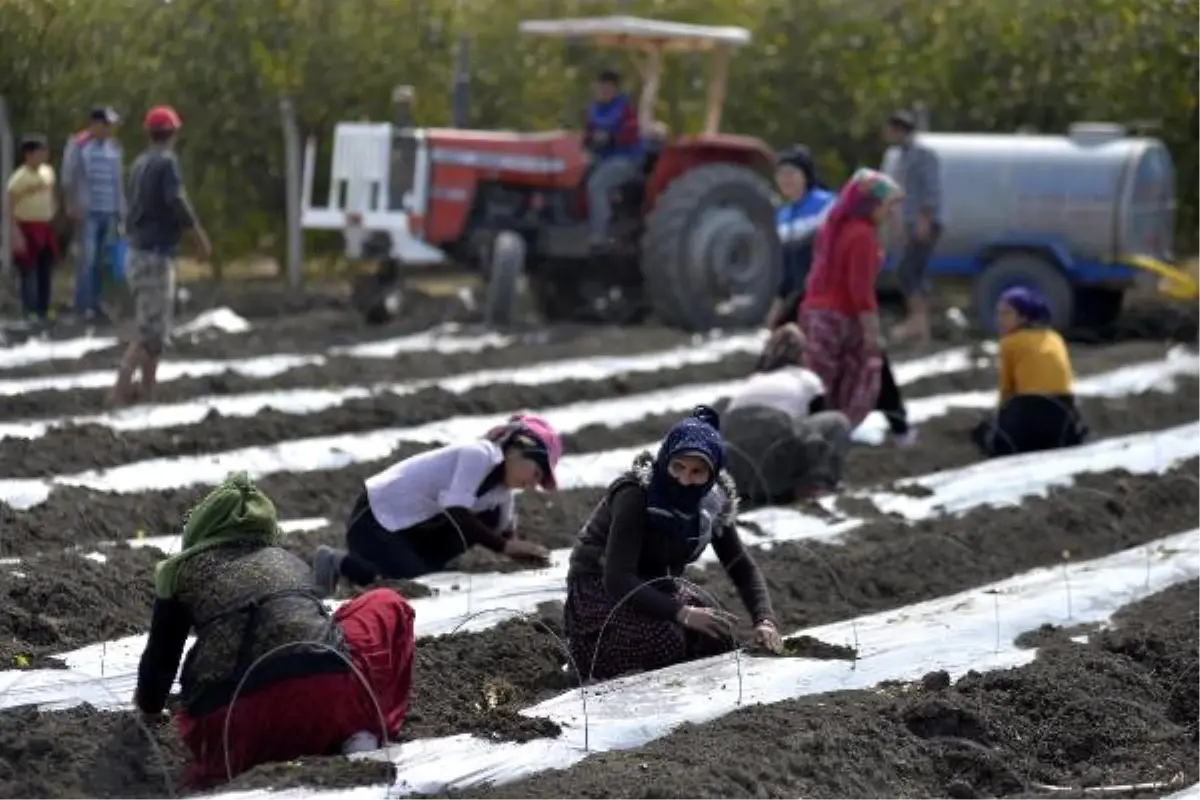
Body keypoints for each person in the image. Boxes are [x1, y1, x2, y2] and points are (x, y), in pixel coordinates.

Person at [133, 472, 416, 788]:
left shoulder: (180, 571)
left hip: (234, 728)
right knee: (385, 603)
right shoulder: (287, 560)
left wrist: (147, 713)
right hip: (327, 701)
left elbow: (160, 664)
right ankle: (361, 730)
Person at [564, 406, 781, 682]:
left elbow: (741, 567)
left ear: (711, 475)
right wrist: (682, 612)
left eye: (696, 472)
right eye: (677, 467)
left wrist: (765, 620)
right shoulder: (635, 494)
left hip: (654, 583)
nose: (684, 479)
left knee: (716, 634)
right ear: (665, 460)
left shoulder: (710, 505)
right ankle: (589, 661)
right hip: (599, 588)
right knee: (664, 640)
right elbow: (617, 578)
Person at [312, 414, 562, 593]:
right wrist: (506, 547)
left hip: (407, 530)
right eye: (537, 474)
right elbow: (457, 512)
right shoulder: (477, 454)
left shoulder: (501, 495)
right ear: (518, 449)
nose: (532, 485)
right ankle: (337, 561)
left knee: (428, 580)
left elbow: (504, 533)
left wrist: (525, 554)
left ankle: (399, 566)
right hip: (374, 518)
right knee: (407, 587)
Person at [112, 105, 211, 406]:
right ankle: (120, 386)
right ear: (174, 134)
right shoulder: (167, 163)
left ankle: (148, 393)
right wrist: (199, 238)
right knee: (151, 331)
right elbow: (177, 202)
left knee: (154, 330)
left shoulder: (140, 163)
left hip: (137, 253)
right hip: (155, 257)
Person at [800, 168, 903, 430]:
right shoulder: (863, 235)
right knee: (852, 384)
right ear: (870, 204)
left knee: (817, 384)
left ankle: (809, 433)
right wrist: (872, 332)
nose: (890, 213)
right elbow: (860, 290)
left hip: (815, 315)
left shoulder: (833, 227)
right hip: (840, 319)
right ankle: (832, 434)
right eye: (887, 206)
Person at [724, 323, 851, 504]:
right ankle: (815, 486)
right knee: (838, 422)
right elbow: (818, 432)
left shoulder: (754, 380)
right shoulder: (806, 378)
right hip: (774, 439)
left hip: (733, 455)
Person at [971, 287, 1089, 458]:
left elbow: (1007, 390)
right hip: (1064, 412)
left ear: (1023, 316)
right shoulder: (1054, 337)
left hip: (1030, 410)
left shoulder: (1010, 343)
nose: (1000, 320)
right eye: (999, 313)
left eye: (1006, 313)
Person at [882, 110, 942, 345]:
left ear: (899, 130)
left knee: (908, 272)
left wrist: (923, 221)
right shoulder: (896, 156)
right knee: (914, 274)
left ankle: (917, 322)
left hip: (922, 221)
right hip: (906, 222)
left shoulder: (923, 155)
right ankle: (921, 327)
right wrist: (896, 225)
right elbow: (895, 193)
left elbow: (931, 190)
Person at [61, 105, 125, 322]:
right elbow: (68, 177)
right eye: (106, 124)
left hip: (109, 211)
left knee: (103, 260)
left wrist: (120, 211)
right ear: (95, 124)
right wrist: (71, 204)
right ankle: (82, 305)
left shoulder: (114, 147)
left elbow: (118, 181)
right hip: (87, 211)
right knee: (86, 259)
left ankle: (98, 303)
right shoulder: (79, 145)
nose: (109, 129)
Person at [765, 146, 835, 329]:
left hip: (826, 297)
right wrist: (778, 304)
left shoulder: (827, 205)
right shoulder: (783, 215)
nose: (785, 180)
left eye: (791, 174)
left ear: (805, 175)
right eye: (780, 174)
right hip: (798, 299)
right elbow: (787, 267)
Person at [583, 68, 642, 248]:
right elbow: (587, 137)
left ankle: (600, 234)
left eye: (608, 88)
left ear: (615, 89)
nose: (604, 91)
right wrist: (591, 140)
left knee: (597, 185)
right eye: (601, 88)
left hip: (625, 159)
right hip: (601, 159)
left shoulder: (625, 109)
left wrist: (611, 138)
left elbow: (632, 134)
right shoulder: (593, 109)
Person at [8, 134, 58, 325]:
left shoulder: (48, 172)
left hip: (45, 226)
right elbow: (10, 206)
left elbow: (51, 194)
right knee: (29, 270)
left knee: (46, 268)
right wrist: (14, 232)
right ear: (29, 154)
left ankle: (44, 308)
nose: (43, 155)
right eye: (39, 151)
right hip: (27, 226)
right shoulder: (18, 179)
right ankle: (30, 310)